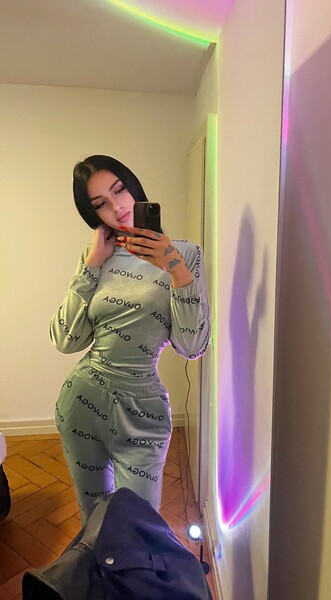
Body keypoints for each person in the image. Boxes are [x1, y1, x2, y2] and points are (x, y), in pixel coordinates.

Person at [50, 155, 210, 523]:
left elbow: (192, 346)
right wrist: (92, 264)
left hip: (143, 410)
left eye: (119, 190)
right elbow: (65, 339)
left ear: (134, 187)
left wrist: (177, 270)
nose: (117, 206)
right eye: (100, 203)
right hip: (83, 400)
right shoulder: (95, 256)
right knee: (93, 520)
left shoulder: (185, 254)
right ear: (93, 215)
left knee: (139, 526)